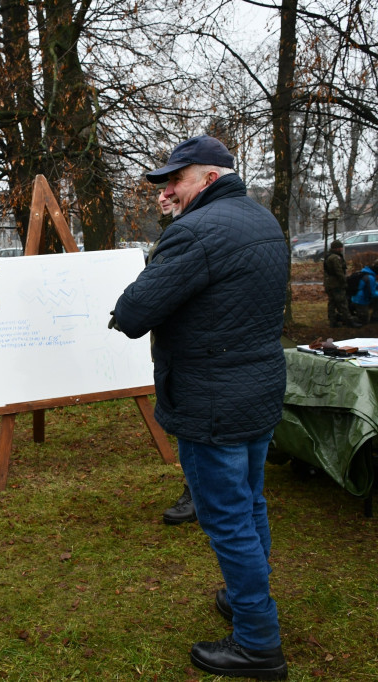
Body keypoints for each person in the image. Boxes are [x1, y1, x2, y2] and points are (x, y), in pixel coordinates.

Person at [111, 135, 288, 679]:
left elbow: (135, 311)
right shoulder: (263, 221)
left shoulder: (195, 233)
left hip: (213, 397)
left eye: (175, 180)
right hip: (256, 389)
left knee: (227, 516)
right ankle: (244, 599)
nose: (167, 191)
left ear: (209, 179)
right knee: (250, 502)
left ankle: (258, 641)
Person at [150, 188, 198, 526]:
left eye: (171, 192)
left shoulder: (193, 232)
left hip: (194, 350)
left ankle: (196, 493)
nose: (164, 198)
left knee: (193, 421)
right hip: (173, 348)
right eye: (159, 196)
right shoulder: (173, 232)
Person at [323, 239, 361, 328]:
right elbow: (339, 271)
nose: (341, 249)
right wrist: (344, 282)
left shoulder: (329, 256)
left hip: (330, 283)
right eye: (340, 247)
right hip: (336, 284)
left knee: (332, 303)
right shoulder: (335, 258)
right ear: (336, 248)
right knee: (343, 303)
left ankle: (332, 321)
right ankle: (349, 321)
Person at [350, 258, 378, 324]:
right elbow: (372, 294)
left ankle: (375, 317)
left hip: (359, 298)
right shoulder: (370, 277)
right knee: (364, 321)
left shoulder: (367, 272)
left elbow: (376, 284)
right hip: (360, 301)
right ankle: (344, 317)